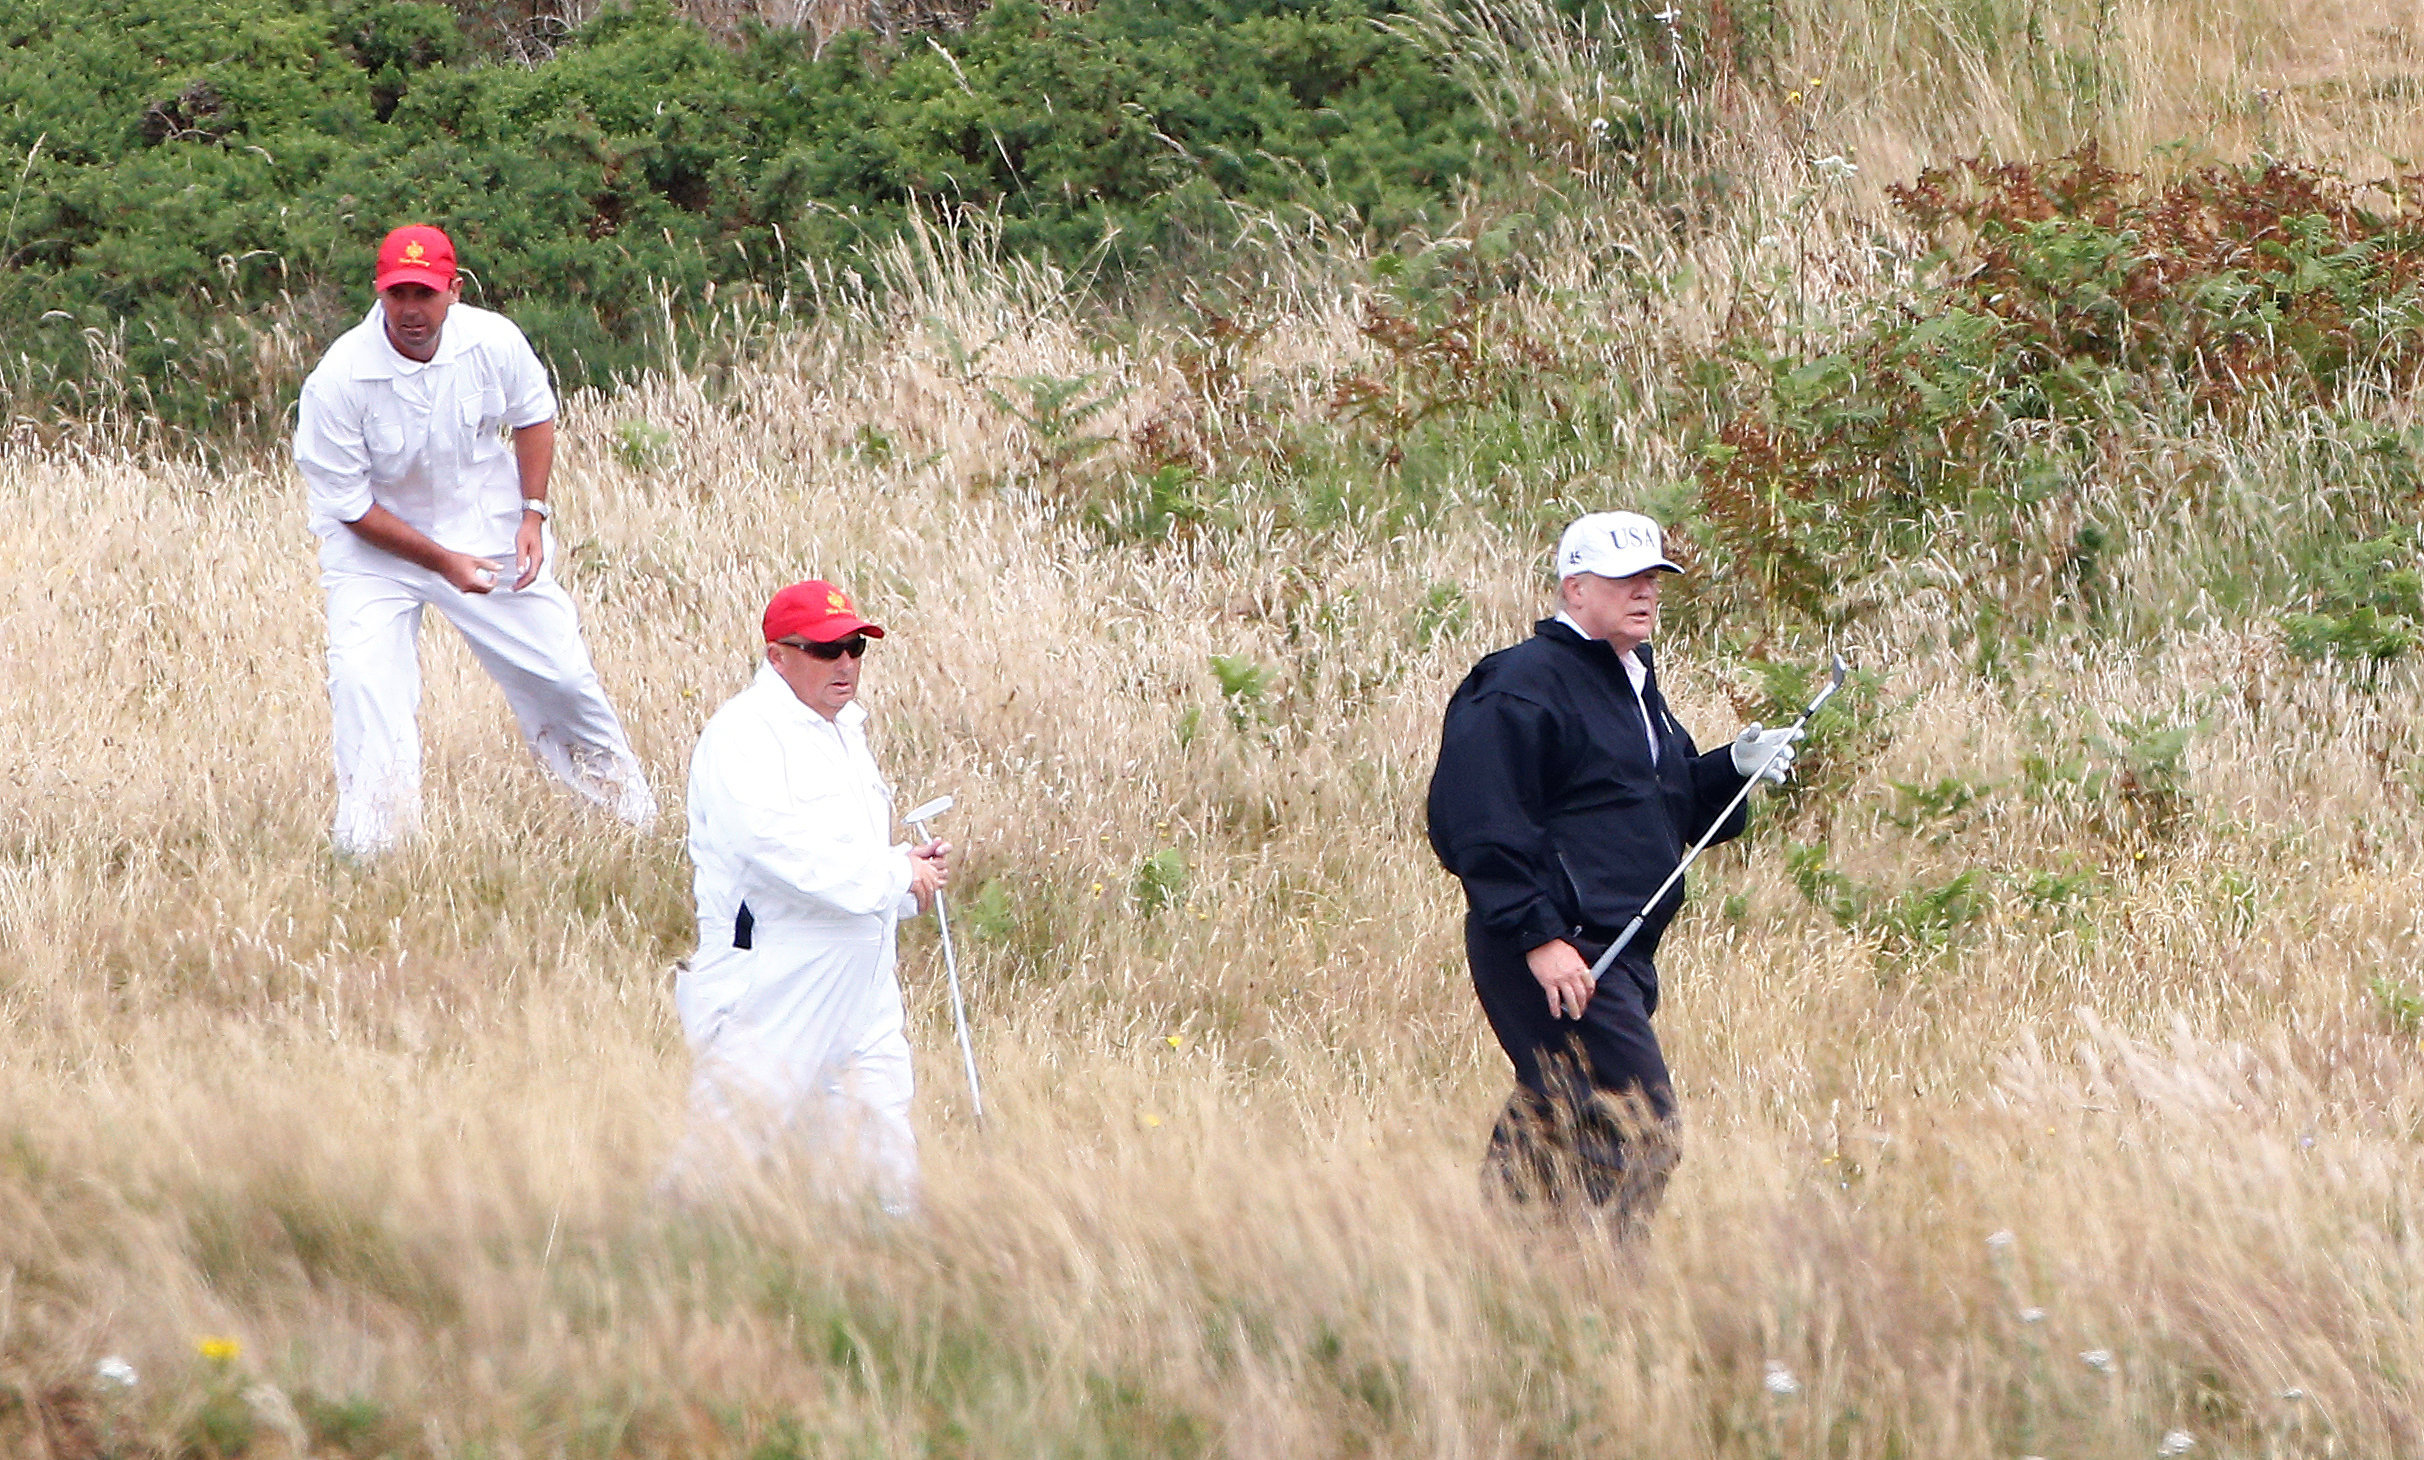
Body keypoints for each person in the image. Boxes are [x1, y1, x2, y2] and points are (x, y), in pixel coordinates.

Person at [1426, 511, 1799, 1225]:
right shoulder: (1519, 685)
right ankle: (1604, 1283)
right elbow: (1477, 823)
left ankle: (1495, 1272)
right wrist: (1541, 938)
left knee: (1555, 1108)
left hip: (1616, 950)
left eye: (1654, 578)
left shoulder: (1630, 681)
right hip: (1555, 946)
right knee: (1640, 1123)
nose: (1646, 593)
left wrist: (1732, 770)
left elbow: (1662, 809)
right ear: (1575, 590)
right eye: (1625, 579)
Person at [293, 223, 654, 857]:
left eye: (425, 293)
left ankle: (629, 822)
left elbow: (533, 413)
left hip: (485, 527)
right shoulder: (338, 380)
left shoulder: (493, 340)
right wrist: (440, 562)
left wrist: (532, 515)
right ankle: (374, 852)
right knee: (363, 682)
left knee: (562, 674)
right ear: (378, 293)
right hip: (374, 550)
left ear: (453, 291)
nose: (411, 309)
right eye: (398, 293)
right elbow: (349, 507)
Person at [672, 580, 951, 1212]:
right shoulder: (743, 734)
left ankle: (887, 1262)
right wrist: (889, 874)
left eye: (855, 647)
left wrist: (909, 880)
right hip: (776, 970)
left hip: (863, 969)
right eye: (827, 651)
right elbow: (775, 850)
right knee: (733, 1140)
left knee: (879, 1124)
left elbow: (847, 854)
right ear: (778, 656)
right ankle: (676, 1258)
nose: (846, 664)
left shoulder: (845, 730)